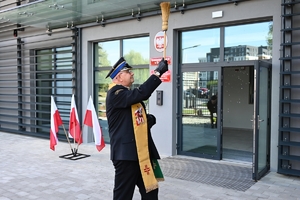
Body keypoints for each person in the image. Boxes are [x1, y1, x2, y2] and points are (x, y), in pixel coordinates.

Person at [105, 57, 168, 200]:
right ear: (119, 77)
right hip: (126, 156)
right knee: (123, 196)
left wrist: (149, 119)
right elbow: (142, 93)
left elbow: (134, 120)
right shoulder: (116, 94)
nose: (132, 73)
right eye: (128, 71)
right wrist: (157, 72)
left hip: (141, 154)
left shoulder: (126, 95)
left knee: (151, 193)